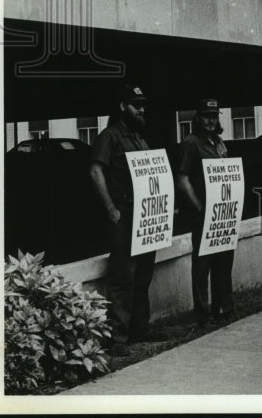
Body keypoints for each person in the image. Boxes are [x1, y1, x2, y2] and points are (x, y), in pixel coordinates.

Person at [90, 84, 157, 356]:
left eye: (143, 105)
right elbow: (96, 171)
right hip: (124, 212)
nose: (141, 109)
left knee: (143, 271)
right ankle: (117, 336)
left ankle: (139, 328)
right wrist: (110, 208)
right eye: (135, 105)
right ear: (122, 107)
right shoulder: (110, 136)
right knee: (122, 273)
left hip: (144, 214)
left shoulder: (140, 138)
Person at [176, 99, 235, 325]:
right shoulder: (191, 143)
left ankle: (225, 308)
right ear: (198, 118)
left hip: (222, 213)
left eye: (214, 115)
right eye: (206, 116)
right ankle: (203, 313)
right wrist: (199, 207)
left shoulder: (218, 141)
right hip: (203, 213)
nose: (211, 120)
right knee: (203, 265)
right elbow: (182, 180)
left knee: (224, 262)